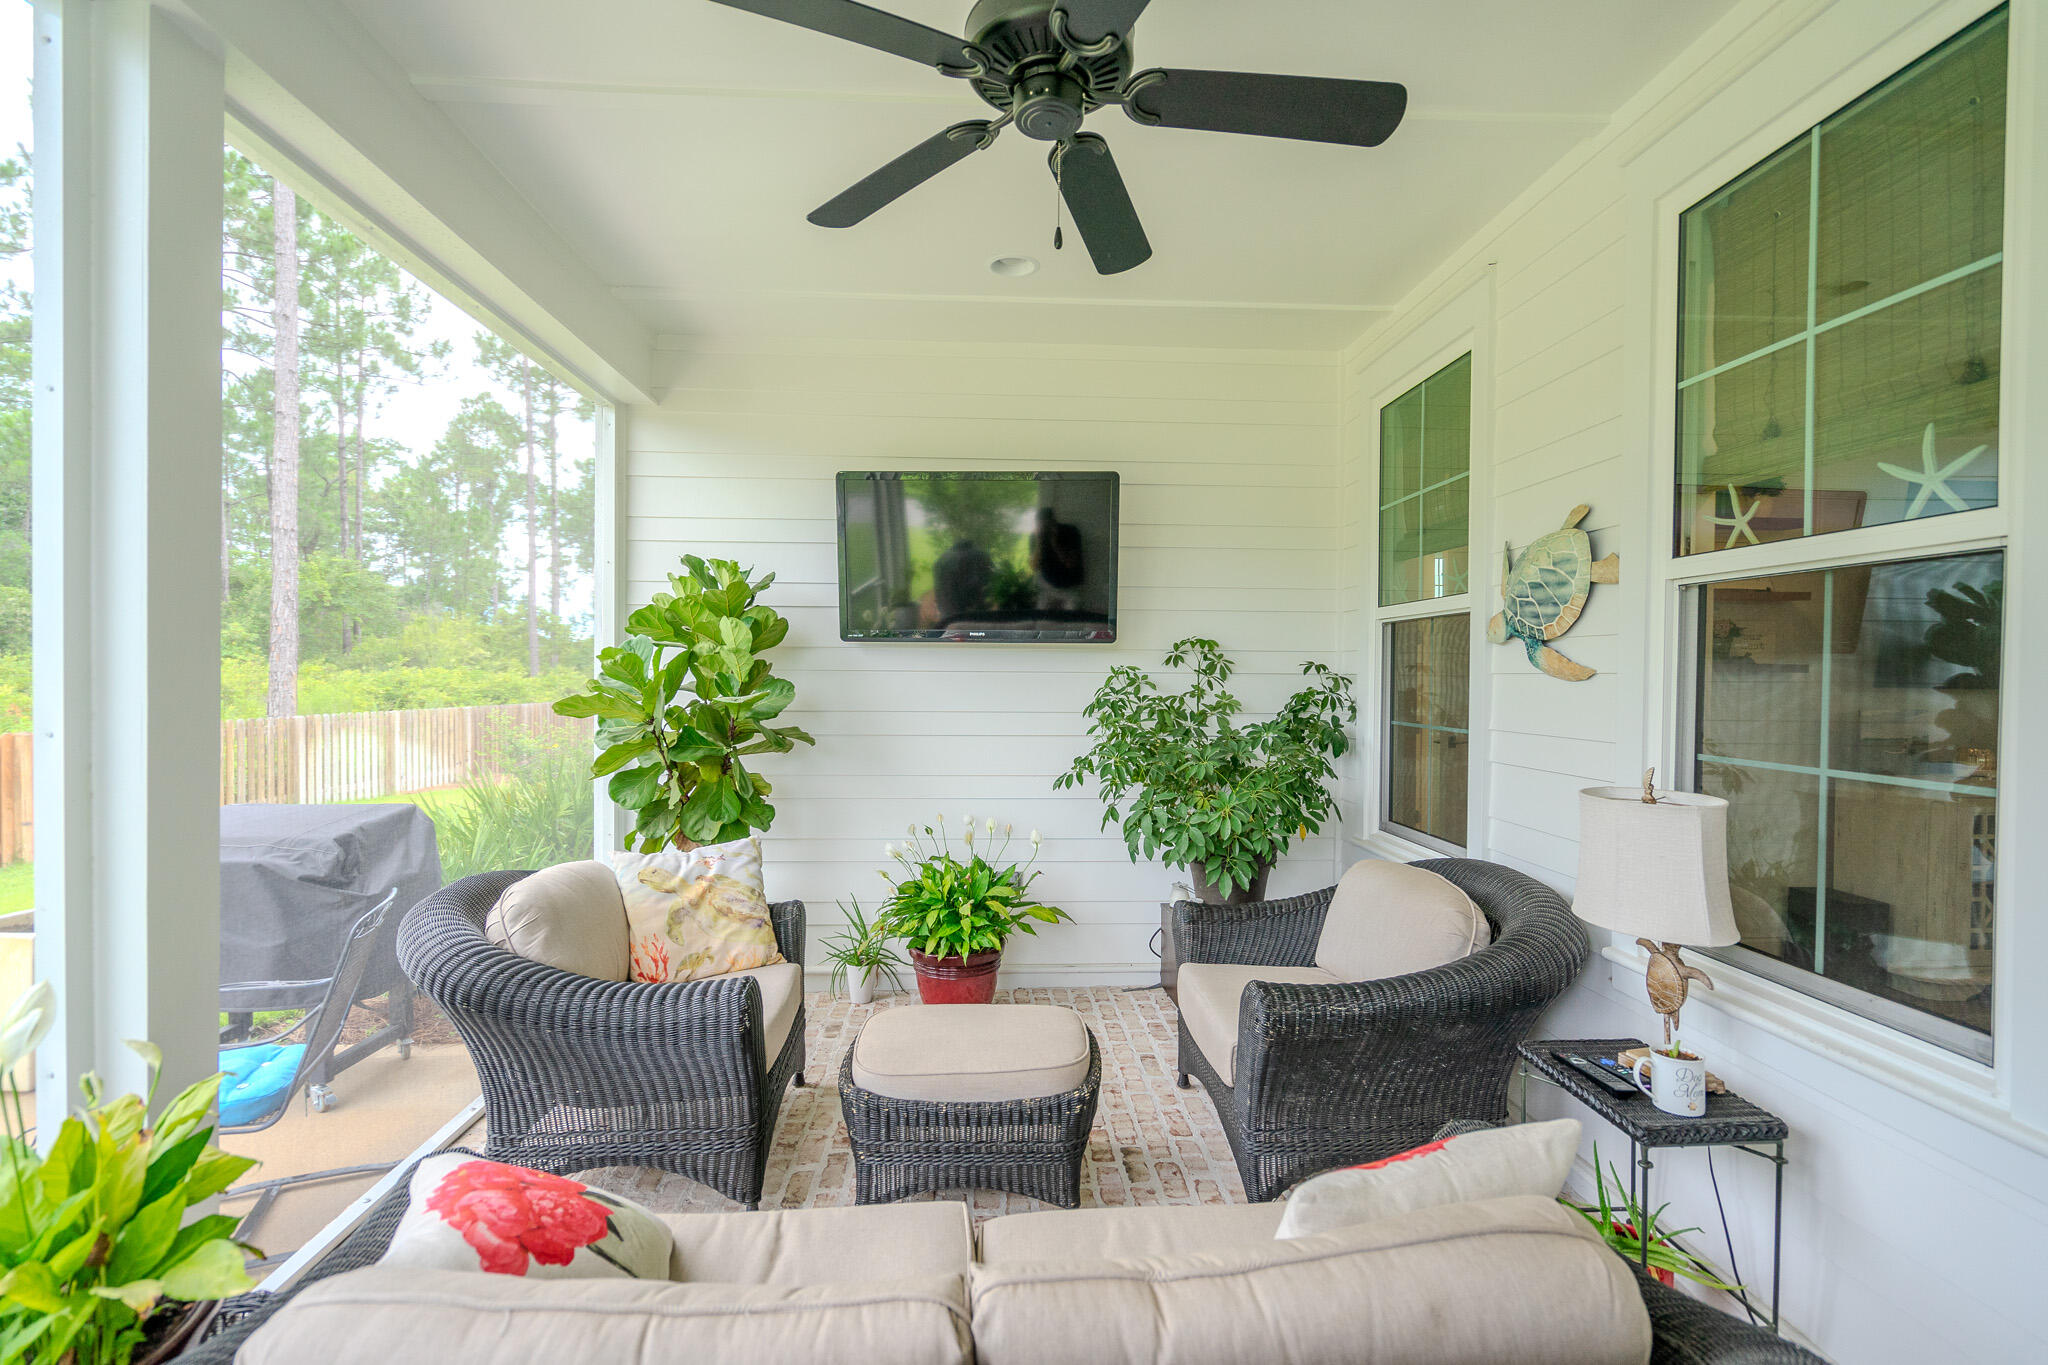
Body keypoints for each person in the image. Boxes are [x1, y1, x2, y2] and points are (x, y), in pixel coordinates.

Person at [1029, 507, 1086, 612]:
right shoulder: (1035, 537)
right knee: (1043, 620)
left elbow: (1071, 564)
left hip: (1070, 586)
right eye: (1040, 524)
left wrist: (1055, 544)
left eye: (1047, 523)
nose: (1044, 527)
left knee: (1072, 620)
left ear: (1053, 521)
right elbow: (1034, 567)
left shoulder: (1069, 532)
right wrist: (1039, 543)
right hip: (1047, 586)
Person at [932, 536, 994, 622]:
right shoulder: (979, 555)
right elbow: (979, 583)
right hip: (967, 614)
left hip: (946, 613)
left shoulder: (943, 558)